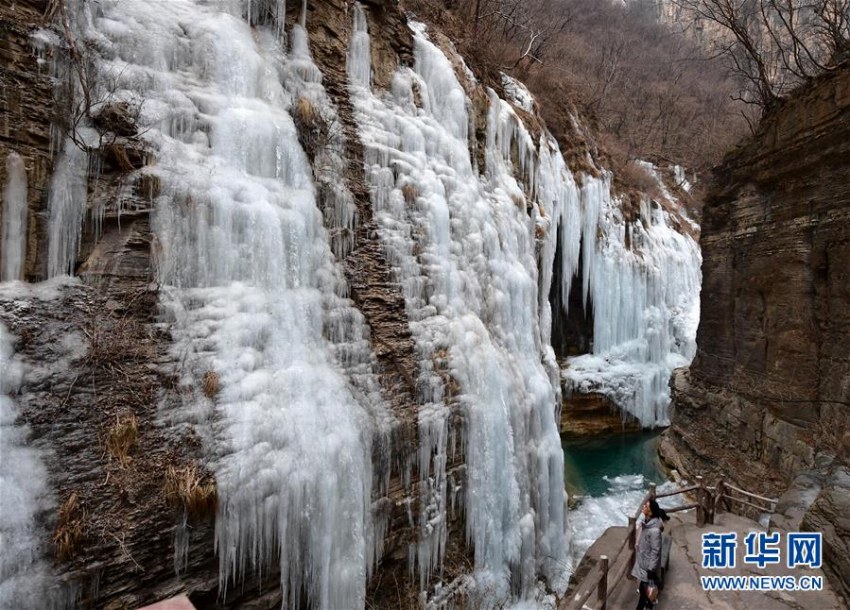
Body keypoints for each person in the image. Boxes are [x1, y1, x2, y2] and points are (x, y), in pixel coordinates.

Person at [632, 498, 670, 609]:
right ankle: (648, 604)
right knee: (644, 590)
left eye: (646, 506)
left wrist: (651, 569)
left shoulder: (654, 531)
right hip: (644, 562)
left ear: (651, 512)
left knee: (644, 592)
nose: (643, 506)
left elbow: (655, 551)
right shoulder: (647, 523)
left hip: (648, 566)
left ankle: (645, 606)